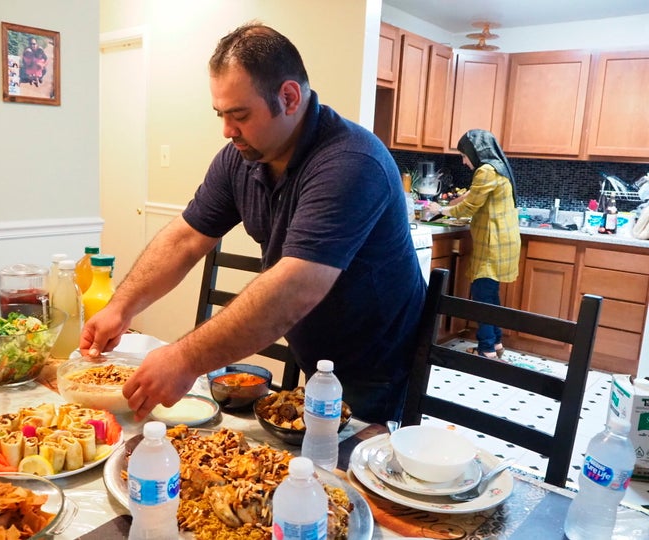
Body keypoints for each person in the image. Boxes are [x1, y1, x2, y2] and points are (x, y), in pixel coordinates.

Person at [80, 22, 426, 424]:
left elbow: (297, 285)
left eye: (239, 115)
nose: (227, 131)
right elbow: (186, 239)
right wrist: (120, 307)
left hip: (378, 365)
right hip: (314, 356)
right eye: (221, 115)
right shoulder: (243, 157)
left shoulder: (351, 162)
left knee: (346, 479)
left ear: (290, 97)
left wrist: (185, 358)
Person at [428, 129, 520, 359]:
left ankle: (486, 349)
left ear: (474, 151)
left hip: (493, 241)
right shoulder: (498, 167)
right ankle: (496, 343)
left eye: (464, 155)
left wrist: (441, 210)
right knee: (490, 294)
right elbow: (473, 198)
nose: (464, 160)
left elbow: (470, 206)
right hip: (501, 240)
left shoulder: (486, 171)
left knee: (481, 294)